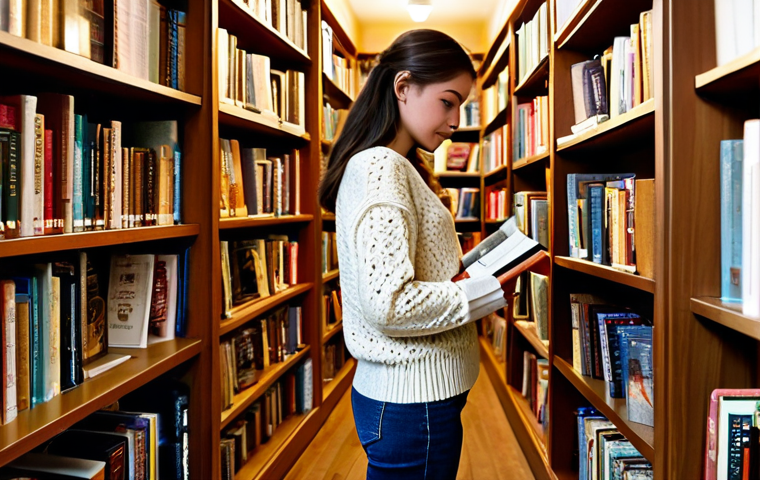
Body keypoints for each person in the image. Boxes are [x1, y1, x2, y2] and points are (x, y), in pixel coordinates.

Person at [318, 30, 511, 480]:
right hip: (411, 403)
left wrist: (476, 269)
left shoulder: (395, 166)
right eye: (448, 101)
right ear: (403, 87)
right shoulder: (380, 167)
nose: (456, 118)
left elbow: (425, 271)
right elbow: (390, 304)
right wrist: (489, 290)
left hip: (415, 400)